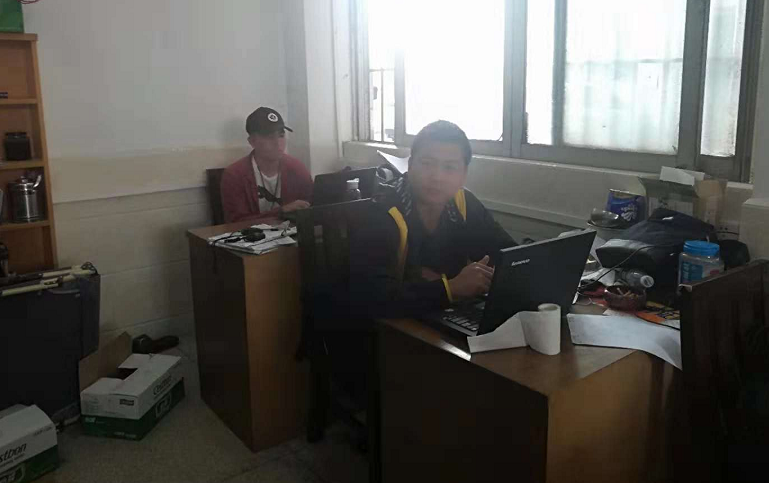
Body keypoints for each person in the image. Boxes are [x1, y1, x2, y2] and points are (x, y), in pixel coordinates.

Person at [349, 120, 516, 319]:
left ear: (463, 175)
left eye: (450, 167)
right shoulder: (383, 211)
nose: (437, 177)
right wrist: (450, 288)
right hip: (391, 326)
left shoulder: (463, 203)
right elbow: (371, 295)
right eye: (427, 164)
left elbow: (508, 255)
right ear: (410, 165)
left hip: (446, 315)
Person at [220, 107, 313, 223]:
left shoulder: (297, 168)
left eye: (281, 135)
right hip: (252, 235)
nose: (278, 143)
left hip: (292, 233)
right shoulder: (234, 175)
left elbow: (311, 207)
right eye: (270, 137)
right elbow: (236, 222)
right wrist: (281, 211)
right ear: (252, 141)